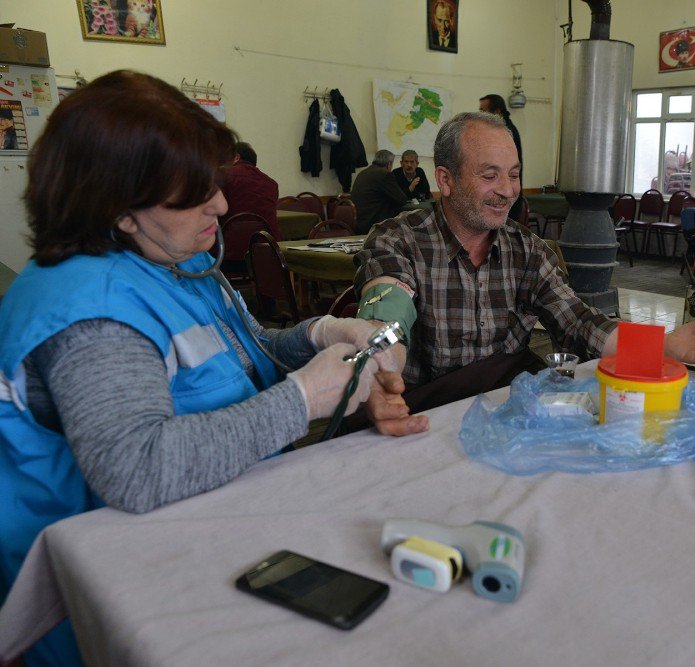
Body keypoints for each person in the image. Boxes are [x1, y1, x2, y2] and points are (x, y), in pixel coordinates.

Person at [0, 70, 400, 666]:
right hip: (108, 594)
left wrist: (316, 334)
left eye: (214, 181)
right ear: (120, 207)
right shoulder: (92, 315)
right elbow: (136, 470)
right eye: (194, 191)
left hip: (201, 533)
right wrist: (302, 400)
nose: (221, 203)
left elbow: (240, 351)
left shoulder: (163, 257)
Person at [352, 111, 695, 426]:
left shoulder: (527, 250)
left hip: (508, 416)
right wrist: (378, 370)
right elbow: (387, 322)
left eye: (514, 174)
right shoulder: (397, 240)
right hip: (421, 416)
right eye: (489, 176)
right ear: (446, 180)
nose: (508, 190)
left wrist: (664, 346)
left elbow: (579, 324)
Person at [219, 140, 280, 237]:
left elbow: (216, 210)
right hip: (268, 244)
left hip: (233, 241)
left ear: (236, 157)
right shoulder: (271, 183)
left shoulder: (223, 176)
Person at [479, 94, 524, 221]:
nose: (480, 114)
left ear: (497, 112)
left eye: (483, 110)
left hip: (503, 198)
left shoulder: (504, 133)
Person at [351, 149, 409, 235]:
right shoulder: (385, 174)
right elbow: (402, 199)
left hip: (359, 224)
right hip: (375, 224)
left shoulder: (363, 173)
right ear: (389, 164)